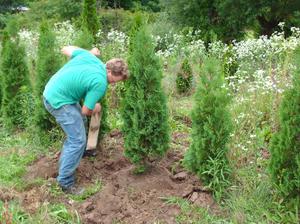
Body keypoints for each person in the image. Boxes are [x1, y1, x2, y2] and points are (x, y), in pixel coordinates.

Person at [43, 46, 128, 194]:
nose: (114, 84)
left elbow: (65, 49)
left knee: (79, 123)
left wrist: (88, 52)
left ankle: (79, 152)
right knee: (76, 140)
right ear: (109, 71)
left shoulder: (90, 57)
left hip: (55, 90)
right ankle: (65, 182)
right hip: (59, 101)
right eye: (115, 80)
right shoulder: (100, 83)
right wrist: (95, 108)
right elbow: (86, 110)